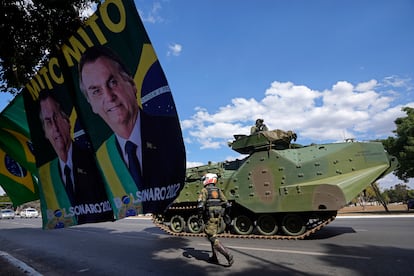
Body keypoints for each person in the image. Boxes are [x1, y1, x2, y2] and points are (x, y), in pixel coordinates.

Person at [78, 45, 185, 214]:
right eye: (96, 91)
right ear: (91, 104)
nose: (109, 97)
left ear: (132, 85)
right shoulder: (100, 158)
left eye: (113, 82)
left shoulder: (168, 132)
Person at [39, 91, 114, 226]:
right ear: (44, 132)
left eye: (56, 117)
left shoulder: (94, 160)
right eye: (48, 122)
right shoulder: (47, 175)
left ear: (67, 121)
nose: (55, 128)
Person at [197, 173, 234, 266]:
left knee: (211, 236)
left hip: (209, 217)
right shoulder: (218, 190)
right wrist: (226, 215)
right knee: (213, 235)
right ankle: (214, 257)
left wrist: (199, 217)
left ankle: (227, 254)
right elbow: (227, 204)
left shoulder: (204, 190)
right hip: (218, 217)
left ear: (208, 179)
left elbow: (200, 205)